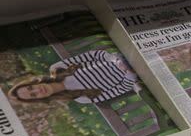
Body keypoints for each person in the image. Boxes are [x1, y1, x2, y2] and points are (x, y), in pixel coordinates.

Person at [9, 49, 139, 104]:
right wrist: (129, 74)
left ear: (34, 82)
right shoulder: (81, 99)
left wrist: (115, 60)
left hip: (120, 56)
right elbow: (121, 89)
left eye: (31, 88)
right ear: (38, 99)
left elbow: (93, 55)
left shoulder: (57, 68)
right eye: (33, 95)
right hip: (136, 74)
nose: (37, 90)